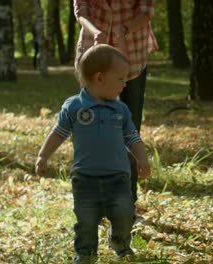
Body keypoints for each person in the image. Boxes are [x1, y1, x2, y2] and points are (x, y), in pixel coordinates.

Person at [35, 44, 151, 264]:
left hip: (118, 177)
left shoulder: (121, 110)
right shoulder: (74, 107)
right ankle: (86, 252)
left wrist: (142, 158)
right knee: (86, 220)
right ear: (100, 78)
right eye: (120, 79)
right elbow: (58, 133)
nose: (125, 84)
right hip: (85, 178)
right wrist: (43, 155)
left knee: (125, 213)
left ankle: (119, 242)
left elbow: (133, 138)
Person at [73, 0, 158, 203]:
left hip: (131, 54)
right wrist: (95, 32)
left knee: (129, 129)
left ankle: (127, 200)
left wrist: (125, 30)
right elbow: (81, 11)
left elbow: (146, 11)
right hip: (93, 55)